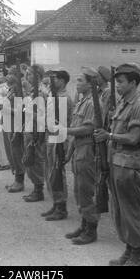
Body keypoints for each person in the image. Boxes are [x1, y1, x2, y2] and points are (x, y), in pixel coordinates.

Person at [95, 63, 140, 266]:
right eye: (116, 82)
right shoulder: (123, 103)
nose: (117, 85)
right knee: (120, 211)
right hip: (117, 162)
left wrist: (108, 135)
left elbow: (134, 137)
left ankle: (137, 256)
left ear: (133, 82)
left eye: (120, 82)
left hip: (129, 164)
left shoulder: (139, 106)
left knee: (132, 211)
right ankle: (129, 251)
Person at [63, 67, 101, 245]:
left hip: (87, 149)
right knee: (79, 190)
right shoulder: (82, 102)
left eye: (80, 80)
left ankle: (91, 230)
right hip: (79, 148)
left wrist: (65, 130)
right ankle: (84, 224)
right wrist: (69, 153)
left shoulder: (93, 103)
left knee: (86, 190)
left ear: (90, 83)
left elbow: (88, 128)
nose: (76, 83)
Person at [42, 70, 74, 221]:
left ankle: (61, 207)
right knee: (50, 170)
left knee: (57, 172)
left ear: (62, 81)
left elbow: (61, 122)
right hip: (51, 135)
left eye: (54, 79)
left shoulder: (63, 98)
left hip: (58, 137)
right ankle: (56, 203)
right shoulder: (52, 95)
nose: (51, 82)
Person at [21, 65, 47, 203]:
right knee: (30, 159)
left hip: (36, 130)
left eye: (30, 74)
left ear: (38, 76)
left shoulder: (41, 92)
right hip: (30, 128)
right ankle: (36, 188)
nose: (27, 76)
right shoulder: (32, 91)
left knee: (35, 160)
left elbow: (42, 115)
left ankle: (39, 190)